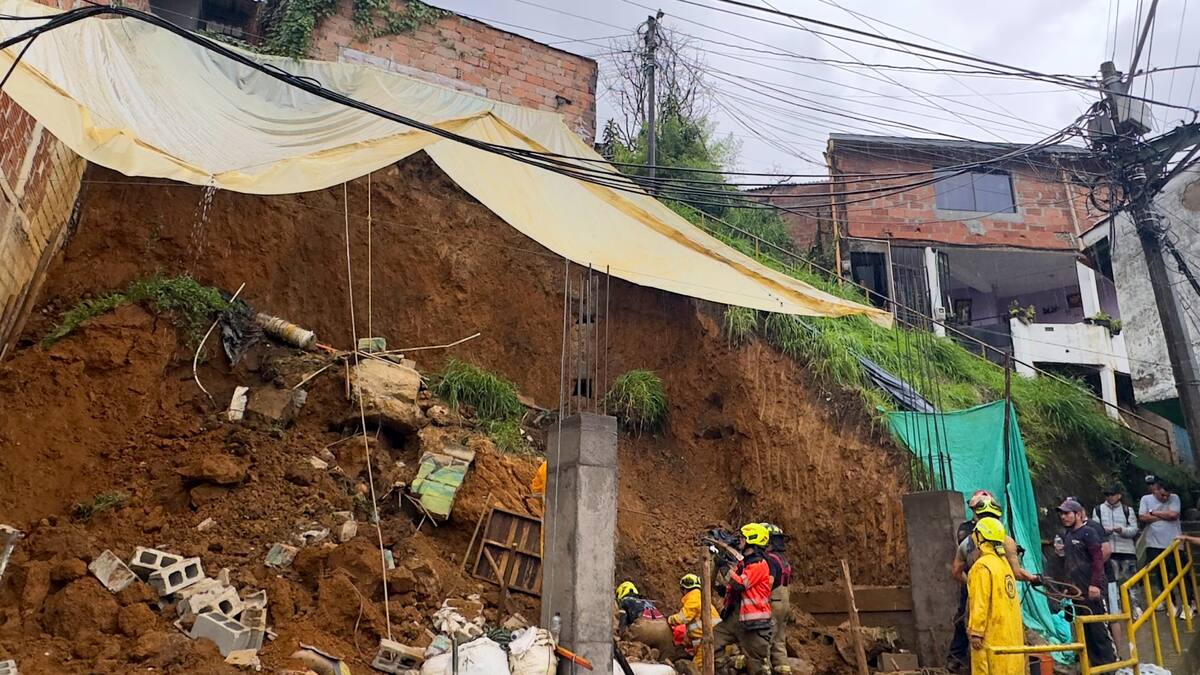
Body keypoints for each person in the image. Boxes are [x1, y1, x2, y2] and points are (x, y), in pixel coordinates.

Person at [948, 492, 1035, 673]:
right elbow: (1017, 573)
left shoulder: (969, 544)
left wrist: (972, 584)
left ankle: (956, 660)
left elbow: (956, 571)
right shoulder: (1006, 547)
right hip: (1003, 603)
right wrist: (1034, 578)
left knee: (981, 649)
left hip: (980, 600)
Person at [1057, 498, 1117, 667]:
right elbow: (1069, 563)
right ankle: (1093, 667)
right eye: (1061, 514)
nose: (1063, 517)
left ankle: (1109, 667)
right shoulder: (1068, 535)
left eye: (1067, 513)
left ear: (1078, 514)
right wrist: (1068, 588)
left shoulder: (1089, 532)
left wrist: (1095, 585)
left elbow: (1098, 560)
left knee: (1099, 632)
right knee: (1085, 633)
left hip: (1092, 591)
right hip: (1077, 592)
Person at [714, 523, 775, 675]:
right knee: (712, 643)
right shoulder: (744, 564)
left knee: (757, 665)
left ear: (752, 539)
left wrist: (723, 566)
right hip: (736, 617)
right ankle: (730, 668)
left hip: (754, 624)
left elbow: (740, 584)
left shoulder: (759, 564)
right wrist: (722, 590)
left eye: (743, 537)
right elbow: (734, 586)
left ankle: (743, 664)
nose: (740, 540)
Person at [966, 518, 1025, 675]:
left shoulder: (982, 567)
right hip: (1010, 640)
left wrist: (976, 632)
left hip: (991, 638)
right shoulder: (1004, 564)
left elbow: (980, 602)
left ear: (980, 537)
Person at [1092, 484, 1140, 617]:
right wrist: (1104, 531)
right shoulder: (1098, 510)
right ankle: (1115, 609)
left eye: (1112, 494)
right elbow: (1095, 529)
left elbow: (1134, 529)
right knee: (1112, 582)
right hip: (1109, 552)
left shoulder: (1127, 510)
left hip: (1127, 551)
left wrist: (1122, 530)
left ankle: (1136, 608)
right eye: (1107, 495)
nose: (1109, 497)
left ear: (1119, 495)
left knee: (1132, 581)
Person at [1139, 474, 1183, 609]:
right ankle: (1169, 602)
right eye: (1162, 495)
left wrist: (1153, 513)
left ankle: (1189, 602)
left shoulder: (1174, 498)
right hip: (1154, 543)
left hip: (1174, 543)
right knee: (1160, 574)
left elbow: (1174, 515)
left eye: (1166, 495)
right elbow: (1142, 516)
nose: (1164, 498)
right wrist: (1165, 516)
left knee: (1179, 573)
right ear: (1155, 489)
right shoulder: (1146, 499)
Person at [668, 573, 721, 675]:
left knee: (695, 670)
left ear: (684, 589)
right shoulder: (700, 597)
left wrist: (669, 620)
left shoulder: (693, 598)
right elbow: (695, 625)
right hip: (712, 640)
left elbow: (682, 618)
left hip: (706, 642)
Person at [760, 523, 793, 675]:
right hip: (785, 600)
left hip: (773, 600)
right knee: (779, 638)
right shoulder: (783, 559)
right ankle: (783, 668)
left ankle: (764, 668)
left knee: (765, 636)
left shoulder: (769, 559)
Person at [616, 581, 676, 660]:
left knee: (625, 642)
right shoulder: (648, 602)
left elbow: (622, 620)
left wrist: (620, 636)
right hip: (665, 629)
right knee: (665, 658)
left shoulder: (625, 601)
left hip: (644, 627)